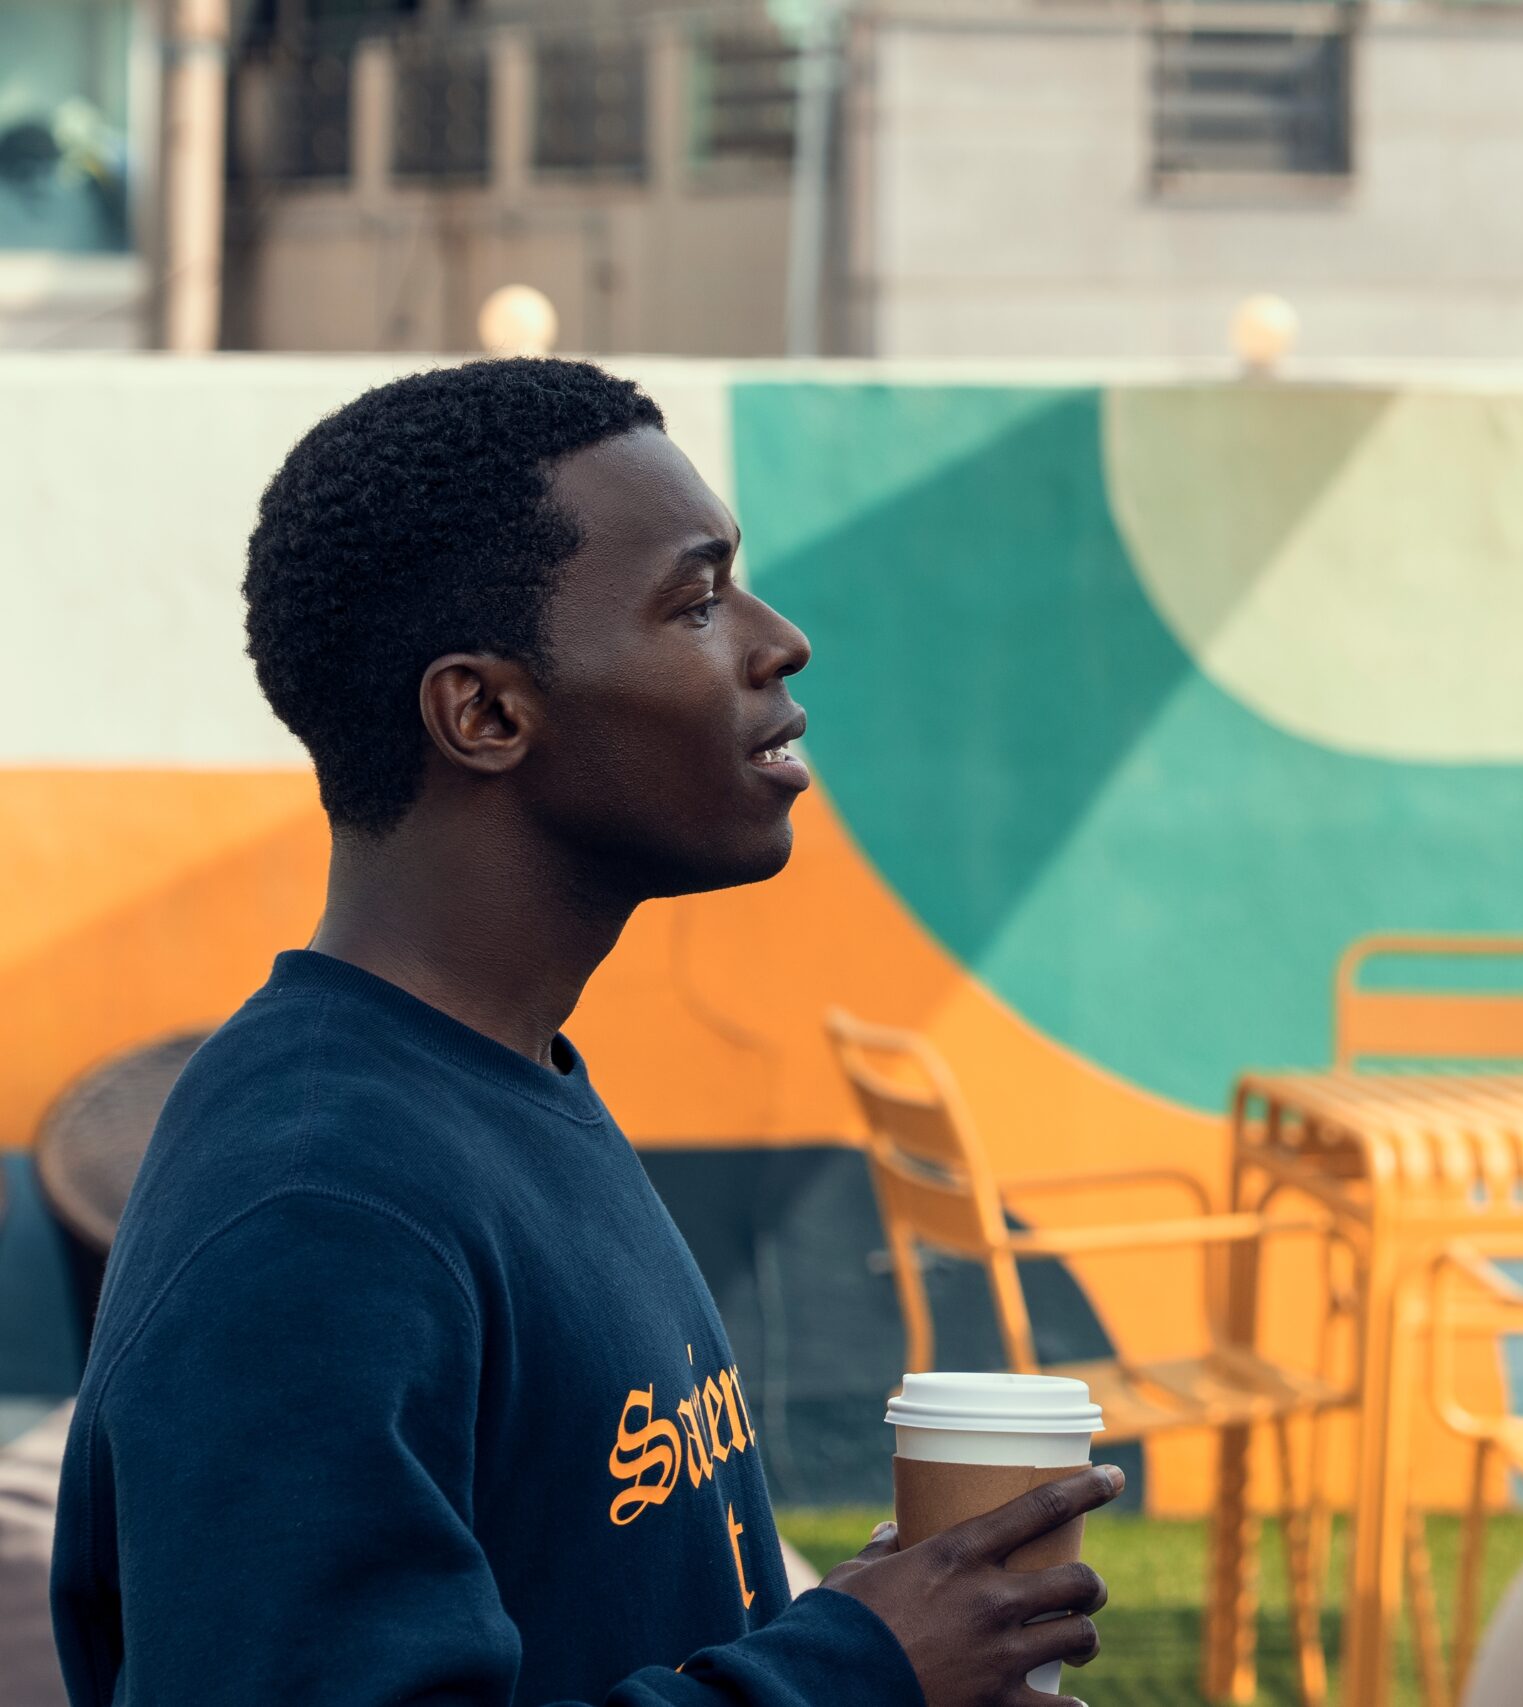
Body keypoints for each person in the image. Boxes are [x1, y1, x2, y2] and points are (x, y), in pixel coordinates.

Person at [51, 359, 1118, 1706]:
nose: (779, 640)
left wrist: (870, 1639)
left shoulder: (506, 1081)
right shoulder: (319, 1209)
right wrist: (852, 1671)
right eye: (696, 600)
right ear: (488, 714)